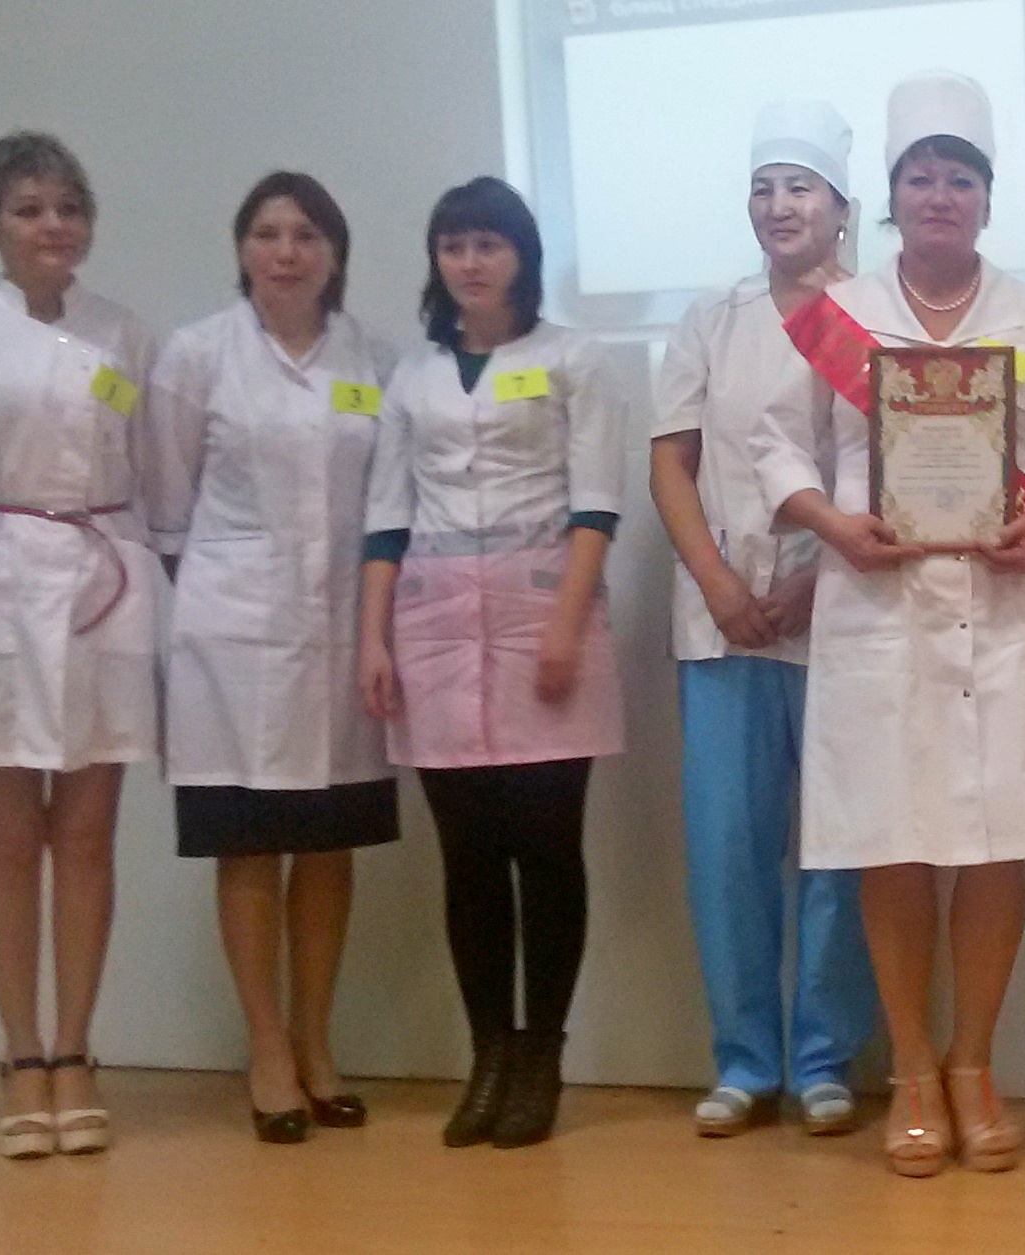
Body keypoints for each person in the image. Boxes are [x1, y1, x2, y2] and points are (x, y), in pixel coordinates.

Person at [752, 70, 1025, 1178]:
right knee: (894, 839)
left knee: (1000, 841)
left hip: (1006, 610)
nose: (940, 194)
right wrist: (832, 524)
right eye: (920, 176)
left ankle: (974, 1064)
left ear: (986, 197)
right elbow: (775, 444)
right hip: (879, 607)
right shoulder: (842, 314)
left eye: (960, 177)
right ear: (892, 196)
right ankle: (912, 1069)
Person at [0, 131, 157, 1159]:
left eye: (69, 207)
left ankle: (76, 1049)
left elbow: (148, 471)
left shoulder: (125, 335)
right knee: (9, 839)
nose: (54, 226)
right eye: (30, 209)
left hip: (103, 580)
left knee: (87, 835)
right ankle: (19, 1053)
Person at [358, 176, 628, 1150]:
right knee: (468, 859)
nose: (469, 262)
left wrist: (563, 624)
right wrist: (372, 636)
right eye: (453, 245)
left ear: (522, 256)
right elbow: (386, 517)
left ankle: (540, 1056)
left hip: (543, 615)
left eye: (488, 244)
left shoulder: (572, 358)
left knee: (546, 853)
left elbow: (596, 502)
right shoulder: (413, 377)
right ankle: (487, 1057)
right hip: (433, 627)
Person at [145, 172, 398, 1143]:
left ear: (335, 252)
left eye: (305, 234)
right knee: (248, 840)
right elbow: (169, 511)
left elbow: (386, 505)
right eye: (266, 233)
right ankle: (266, 1051)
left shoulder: (373, 359)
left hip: (342, 636)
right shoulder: (195, 355)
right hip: (232, 642)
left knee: (328, 843)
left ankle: (316, 1041)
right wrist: (234, 586)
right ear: (242, 248)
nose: (285, 252)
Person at [650, 101, 878, 1139]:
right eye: (762, 187)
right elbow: (672, 462)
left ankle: (825, 1059)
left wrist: (817, 583)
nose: (779, 205)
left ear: (841, 206)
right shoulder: (714, 319)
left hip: (844, 616)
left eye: (800, 187)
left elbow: (900, 468)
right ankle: (744, 1061)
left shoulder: (876, 314)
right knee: (727, 850)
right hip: (723, 623)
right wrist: (719, 584)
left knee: (842, 847)